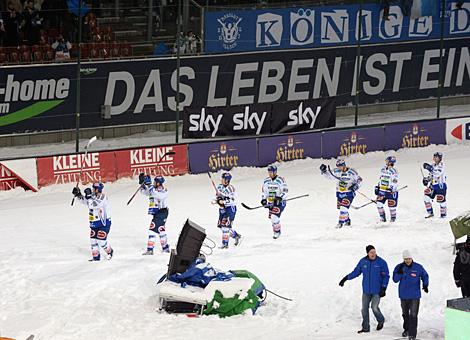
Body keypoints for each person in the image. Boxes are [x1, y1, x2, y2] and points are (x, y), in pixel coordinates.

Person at [339, 245, 389, 334]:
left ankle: (381, 320)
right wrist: (346, 278)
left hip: (377, 291)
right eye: (371, 252)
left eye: (374, 252)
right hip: (366, 290)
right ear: (367, 253)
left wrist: (384, 288)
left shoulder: (381, 262)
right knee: (364, 309)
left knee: (374, 308)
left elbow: (386, 276)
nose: (373, 254)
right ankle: (365, 328)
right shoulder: (363, 262)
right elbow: (356, 272)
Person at [393, 250, 429, 340]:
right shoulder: (399, 267)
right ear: (403, 259)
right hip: (403, 295)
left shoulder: (418, 267)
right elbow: (395, 279)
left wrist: (425, 284)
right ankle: (406, 330)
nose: (408, 261)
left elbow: (425, 275)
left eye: (409, 259)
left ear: (411, 258)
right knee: (405, 314)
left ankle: (412, 334)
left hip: (414, 296)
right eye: (406, 259)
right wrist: (399, 273)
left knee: (413, 315)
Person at [72, 182, 114, 261]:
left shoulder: (103, 197)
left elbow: (93, 205)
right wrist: (78, 195)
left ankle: (110, 252)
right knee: (93, 240)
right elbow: (86, 201)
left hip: (103, 223)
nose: (92, 189)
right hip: (94, 223)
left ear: (98, 189)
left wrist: (88, 196)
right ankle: (96, 257)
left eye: (94, 188)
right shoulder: (92, 196)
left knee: (101, 240)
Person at [320, 159, 362, 228]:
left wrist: (356, 186)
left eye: (340, 166)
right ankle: (347, 220)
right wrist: (324, 171)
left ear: (344, 165)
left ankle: (340, 223)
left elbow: (360, 180)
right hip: (339, 193)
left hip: (349, 194)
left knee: (343, 208)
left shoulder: (352, 172)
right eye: (338, 166)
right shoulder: (336, 171)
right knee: (341, 208)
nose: (339, 168)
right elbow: (330, 177)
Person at [139, 173, 170, 255]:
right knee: (160, 230)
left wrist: (148, 184)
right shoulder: (153, 189)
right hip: (158, 213)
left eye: (155, 182)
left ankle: (150, 249)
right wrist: (142, 183)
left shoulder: (163, 191)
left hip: (162, 212)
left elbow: (155, 194)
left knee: (152, 230)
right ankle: (165, 248)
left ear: (159, 183)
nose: (154, 183)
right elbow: (144, 192)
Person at [214, 172, 242, 249]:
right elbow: (217, 196)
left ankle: (225, 244)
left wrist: (224, 202)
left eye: (223, 179)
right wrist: (217, 200)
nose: (221, 180)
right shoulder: (219, 187)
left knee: (225, 227)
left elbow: (234, 200)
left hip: (230, 209)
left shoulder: (231, 189)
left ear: (227, 180)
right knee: (221, 226)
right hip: (222, 209)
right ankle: (236, 236)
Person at [261, 165, 288, 239]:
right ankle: (276, 229)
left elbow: (285, 191)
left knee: (274, 217)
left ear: (275, 172)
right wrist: (263, 199)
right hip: (271, 202)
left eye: (271, 172)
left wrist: (280, 197)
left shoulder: (281, 180)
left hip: (280, 202)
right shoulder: (266, 181)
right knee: (272, 218)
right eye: (269, 172)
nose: (270, 174)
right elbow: (264, 192)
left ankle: (277, 232)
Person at [422, 152, 447, 218]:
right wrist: (426, 180)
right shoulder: (433, 165)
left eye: (436, 157)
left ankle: (443, 215)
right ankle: (430, 213)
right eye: (434, 156)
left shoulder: (442, 165)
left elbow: (437, 174)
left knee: (441, 200)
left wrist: (429, 168)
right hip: (433, 186)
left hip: (440, 186)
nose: (434, 158)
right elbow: (431, 176)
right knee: (426, 197)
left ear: (440, 158)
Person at [375, 155, 399, 222]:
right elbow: (381, 178)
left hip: (391, 192)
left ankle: (393, 219)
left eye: (387, 161)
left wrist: (391, 188)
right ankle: (382, 218)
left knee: (392, 206)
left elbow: (395, 181)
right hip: (382, 190)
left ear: (390, 162)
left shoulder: (394, 171)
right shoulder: (383, 169)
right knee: (379, 204)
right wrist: (378, 186)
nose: (386, 162)